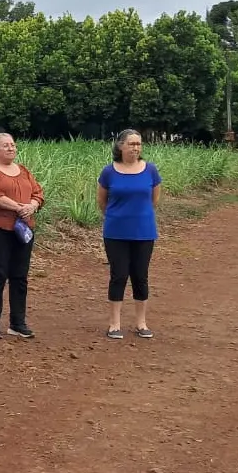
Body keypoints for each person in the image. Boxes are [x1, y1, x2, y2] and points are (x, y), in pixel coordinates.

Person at [0, 132, 45, 340]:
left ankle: (18, 322)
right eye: (5, 145)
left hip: (23, 229)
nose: (11, 148)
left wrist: (32, 206)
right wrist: (18, 207)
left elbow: (38, 193)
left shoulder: (23, 170)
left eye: (13, 145)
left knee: (20, 276)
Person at [96, 128, 161, 340]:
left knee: (140, 276)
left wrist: (138, 216)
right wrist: (118, 216)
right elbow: (102, 202)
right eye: (131, 143)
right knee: (119, 275)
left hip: (144, 231)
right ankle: (114, 323)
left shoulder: (150, 170)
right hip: (116, 232)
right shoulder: (109, 172)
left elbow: (154, 200)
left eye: (138, 144)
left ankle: (141, 322)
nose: (136, 148)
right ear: (120, 146)